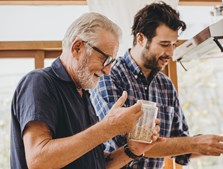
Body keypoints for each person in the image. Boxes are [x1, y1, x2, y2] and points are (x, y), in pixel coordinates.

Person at [90, 2, 223, 169]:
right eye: (164, 44)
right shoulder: (110, 77)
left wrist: (218, 145)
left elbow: (180, 145)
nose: (171, 54)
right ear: (141, 39)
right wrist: (194, 143)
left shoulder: (165, 86)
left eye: (174, 45)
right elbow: (126, 146)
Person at [10, 12, 161, 169]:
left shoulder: (83, 95)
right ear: (77, 48)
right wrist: (108, 128)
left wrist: (132, 150)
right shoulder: (39, 82)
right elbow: (38, 160)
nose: (107, 71)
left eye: (112, 62)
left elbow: (96, 164)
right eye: (105, 59)